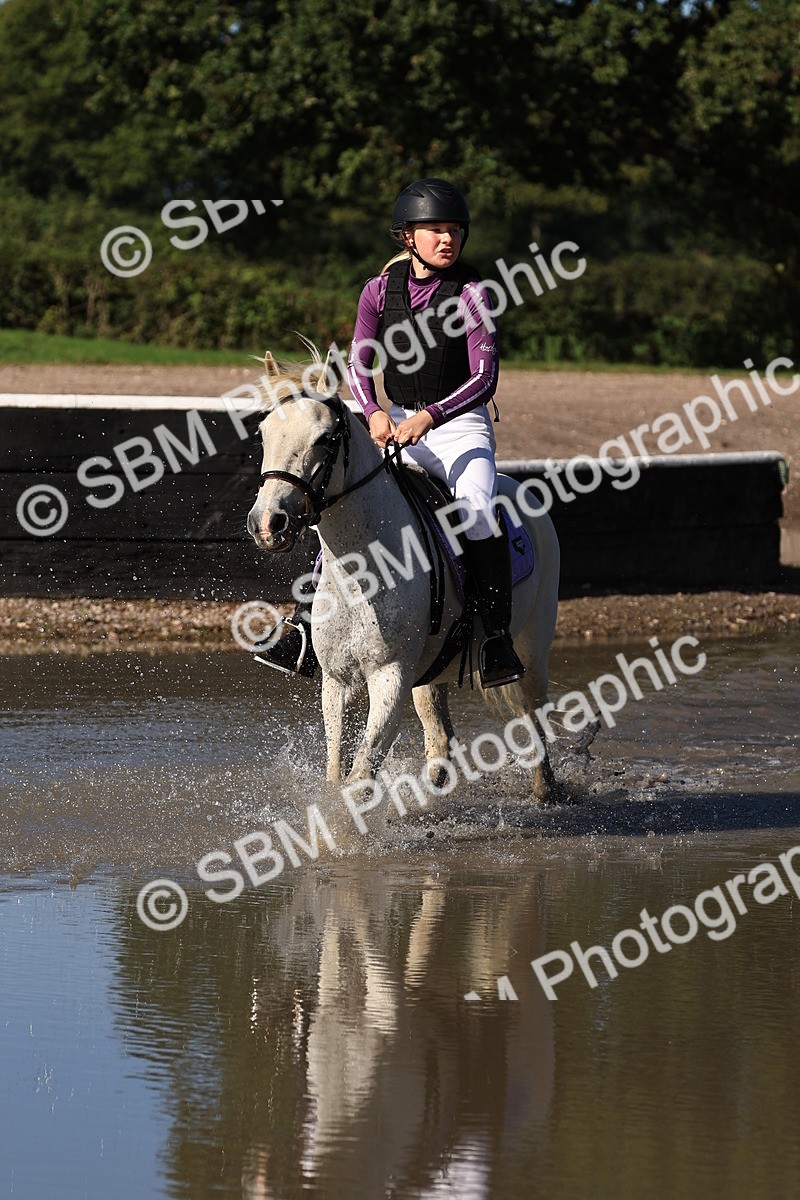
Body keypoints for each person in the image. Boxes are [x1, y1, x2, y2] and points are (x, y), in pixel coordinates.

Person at [255, 177, 524, 687]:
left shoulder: (473, 294)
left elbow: (484, 378)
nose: (448, 240)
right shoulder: (377, 292)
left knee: (476, 513)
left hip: (460, 429)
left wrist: (429, 417)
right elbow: (360, 363)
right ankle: (306, 624)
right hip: (394, 422)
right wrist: (374, 411)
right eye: (435, 230)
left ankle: (495, 639)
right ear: (408, 238)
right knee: (340, 501)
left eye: (455, 231)